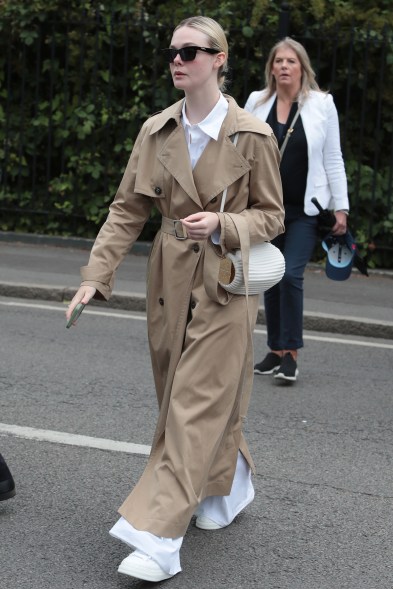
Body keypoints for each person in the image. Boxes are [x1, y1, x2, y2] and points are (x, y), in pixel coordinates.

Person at [66, 15, 284, 582]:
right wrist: (96, 274)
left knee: (193, 401)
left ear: (220, 59)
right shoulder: (156, 130)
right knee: (177, 392)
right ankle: (229, 482)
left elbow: (272, 216)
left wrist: (223, 223)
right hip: (167, 278)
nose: (178, 59)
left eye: (191, 50)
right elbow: (126, 210)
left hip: (225, 281)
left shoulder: (251, 136)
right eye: (173, 51)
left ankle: (159, 536)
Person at [245, 37, 349, 383]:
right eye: (279, 61)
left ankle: (291, 353)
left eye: (291, 61)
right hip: (265, 208)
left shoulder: (322, 104)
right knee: (270, 277)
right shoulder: (256, 103)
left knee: (290, 274)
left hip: (306, 209)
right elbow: (241, 153)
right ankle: (275, 351)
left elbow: (333, 157)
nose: (284, 66)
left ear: (303, 68)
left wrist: (341, 209)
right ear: (271, 68)